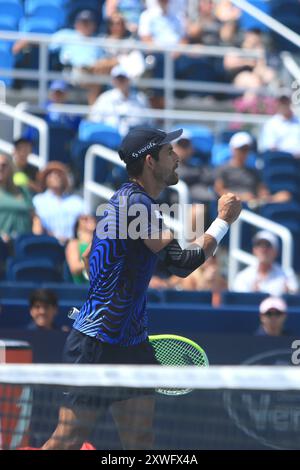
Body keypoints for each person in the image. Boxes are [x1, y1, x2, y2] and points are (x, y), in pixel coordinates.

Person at [42, 126, 241, 450]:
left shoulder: (126, 203)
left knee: (140, 440)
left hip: (131, 342)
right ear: (151, 161)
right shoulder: (135, 206)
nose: (177, 157)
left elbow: (106, 259)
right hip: (97, 343)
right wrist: (222, 221)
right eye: (169, 152)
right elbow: (180, 263)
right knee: (68, 439)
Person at [214, 131, 291, 206]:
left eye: (246, 149)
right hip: (233, 207)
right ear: (233, 149)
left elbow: (262, 191)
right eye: (241, 149)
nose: (244, 152)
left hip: (253, 206)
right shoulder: (222, 168)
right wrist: (240, 197)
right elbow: (219, 190)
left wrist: (271, 198)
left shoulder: (254, 171)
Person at [88, 65, 152, 136]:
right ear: (113, 81)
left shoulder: (141, 98)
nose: (120, 81)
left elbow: (149, 122)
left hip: (136, 140)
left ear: (129, 79)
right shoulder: (104, 98)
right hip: (110, 140)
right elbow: (94, 120)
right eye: (118, 78)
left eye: (123, 78)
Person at [33, 161, 85, 244]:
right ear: (45, 179)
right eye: (51, 174)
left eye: (59, 174)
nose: (56, 176)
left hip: (72, 245)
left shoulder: (77, 202)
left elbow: (86, 225)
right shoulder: (38, 201)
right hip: (47, 244)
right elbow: (36, 227)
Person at [233, 230, 299, 296]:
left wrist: (288, 295)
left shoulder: (287, 274)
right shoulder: (243, 277)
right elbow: (239, 303)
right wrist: (252, 297)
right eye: (259, 245)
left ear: (276, 251)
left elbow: (294, 301)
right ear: (254, 250)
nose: (263, 249)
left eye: (268, 245)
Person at [0, 153, 37, 242]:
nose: (0, 168)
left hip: (23, 243)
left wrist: (36, 237)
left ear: (11, 168)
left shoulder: (22, 190)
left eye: (4, 165)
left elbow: (34, 217)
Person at [259, 91, 300, 157]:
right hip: (280, 160)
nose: (284, 105)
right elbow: (270, 147)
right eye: (282, 103)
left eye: (286, 102)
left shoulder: (298, 121)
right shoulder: (271, 124)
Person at [65, 214, 96, 284]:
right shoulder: (74, 244)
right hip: (82, 288)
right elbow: (74, 267)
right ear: (77, 226)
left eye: (92, 218)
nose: (90, 220)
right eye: (85, 218)